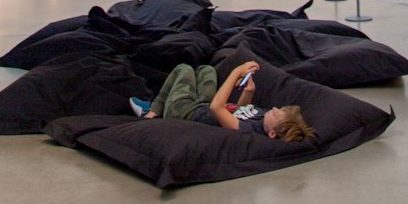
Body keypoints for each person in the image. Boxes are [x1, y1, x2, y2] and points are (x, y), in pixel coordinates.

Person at [131, 60, 314, 142]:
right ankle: (159, 107)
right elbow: (242, 110)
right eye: (277, 109)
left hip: (186, 111)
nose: (272, 108)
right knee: (207, 70)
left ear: (272, 134)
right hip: (202, 106)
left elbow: (217, 108)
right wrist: (249, 91)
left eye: (275, 113)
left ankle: (152, 113)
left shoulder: (248, 131)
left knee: (184, 69)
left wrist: (237, 71)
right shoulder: (262, 116)